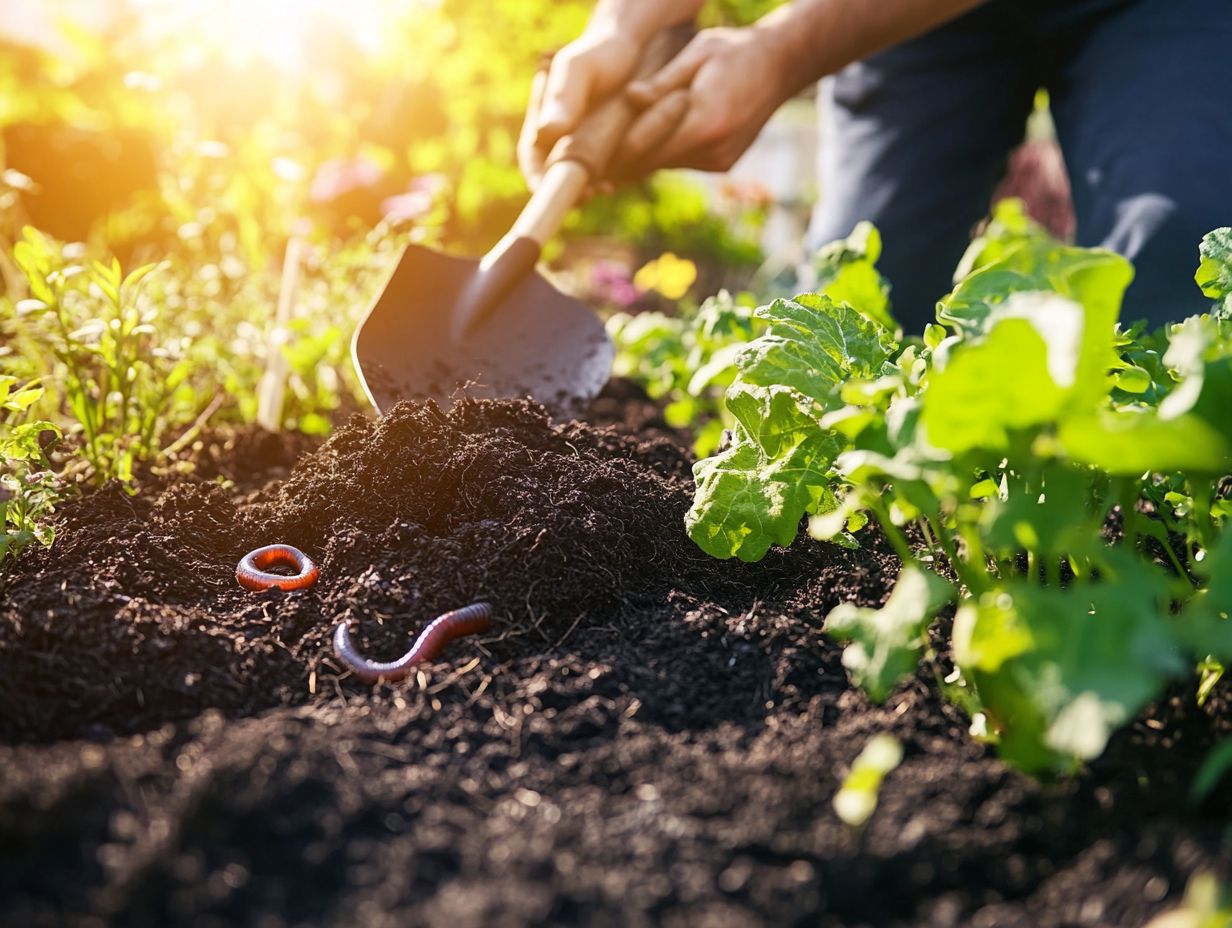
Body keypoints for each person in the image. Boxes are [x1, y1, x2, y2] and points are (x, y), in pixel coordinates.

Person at [518, 0, 1232, 331]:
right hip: (908, 28)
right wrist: (620, 29)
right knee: (855, 306)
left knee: (1184, 253)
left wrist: (786, 50)